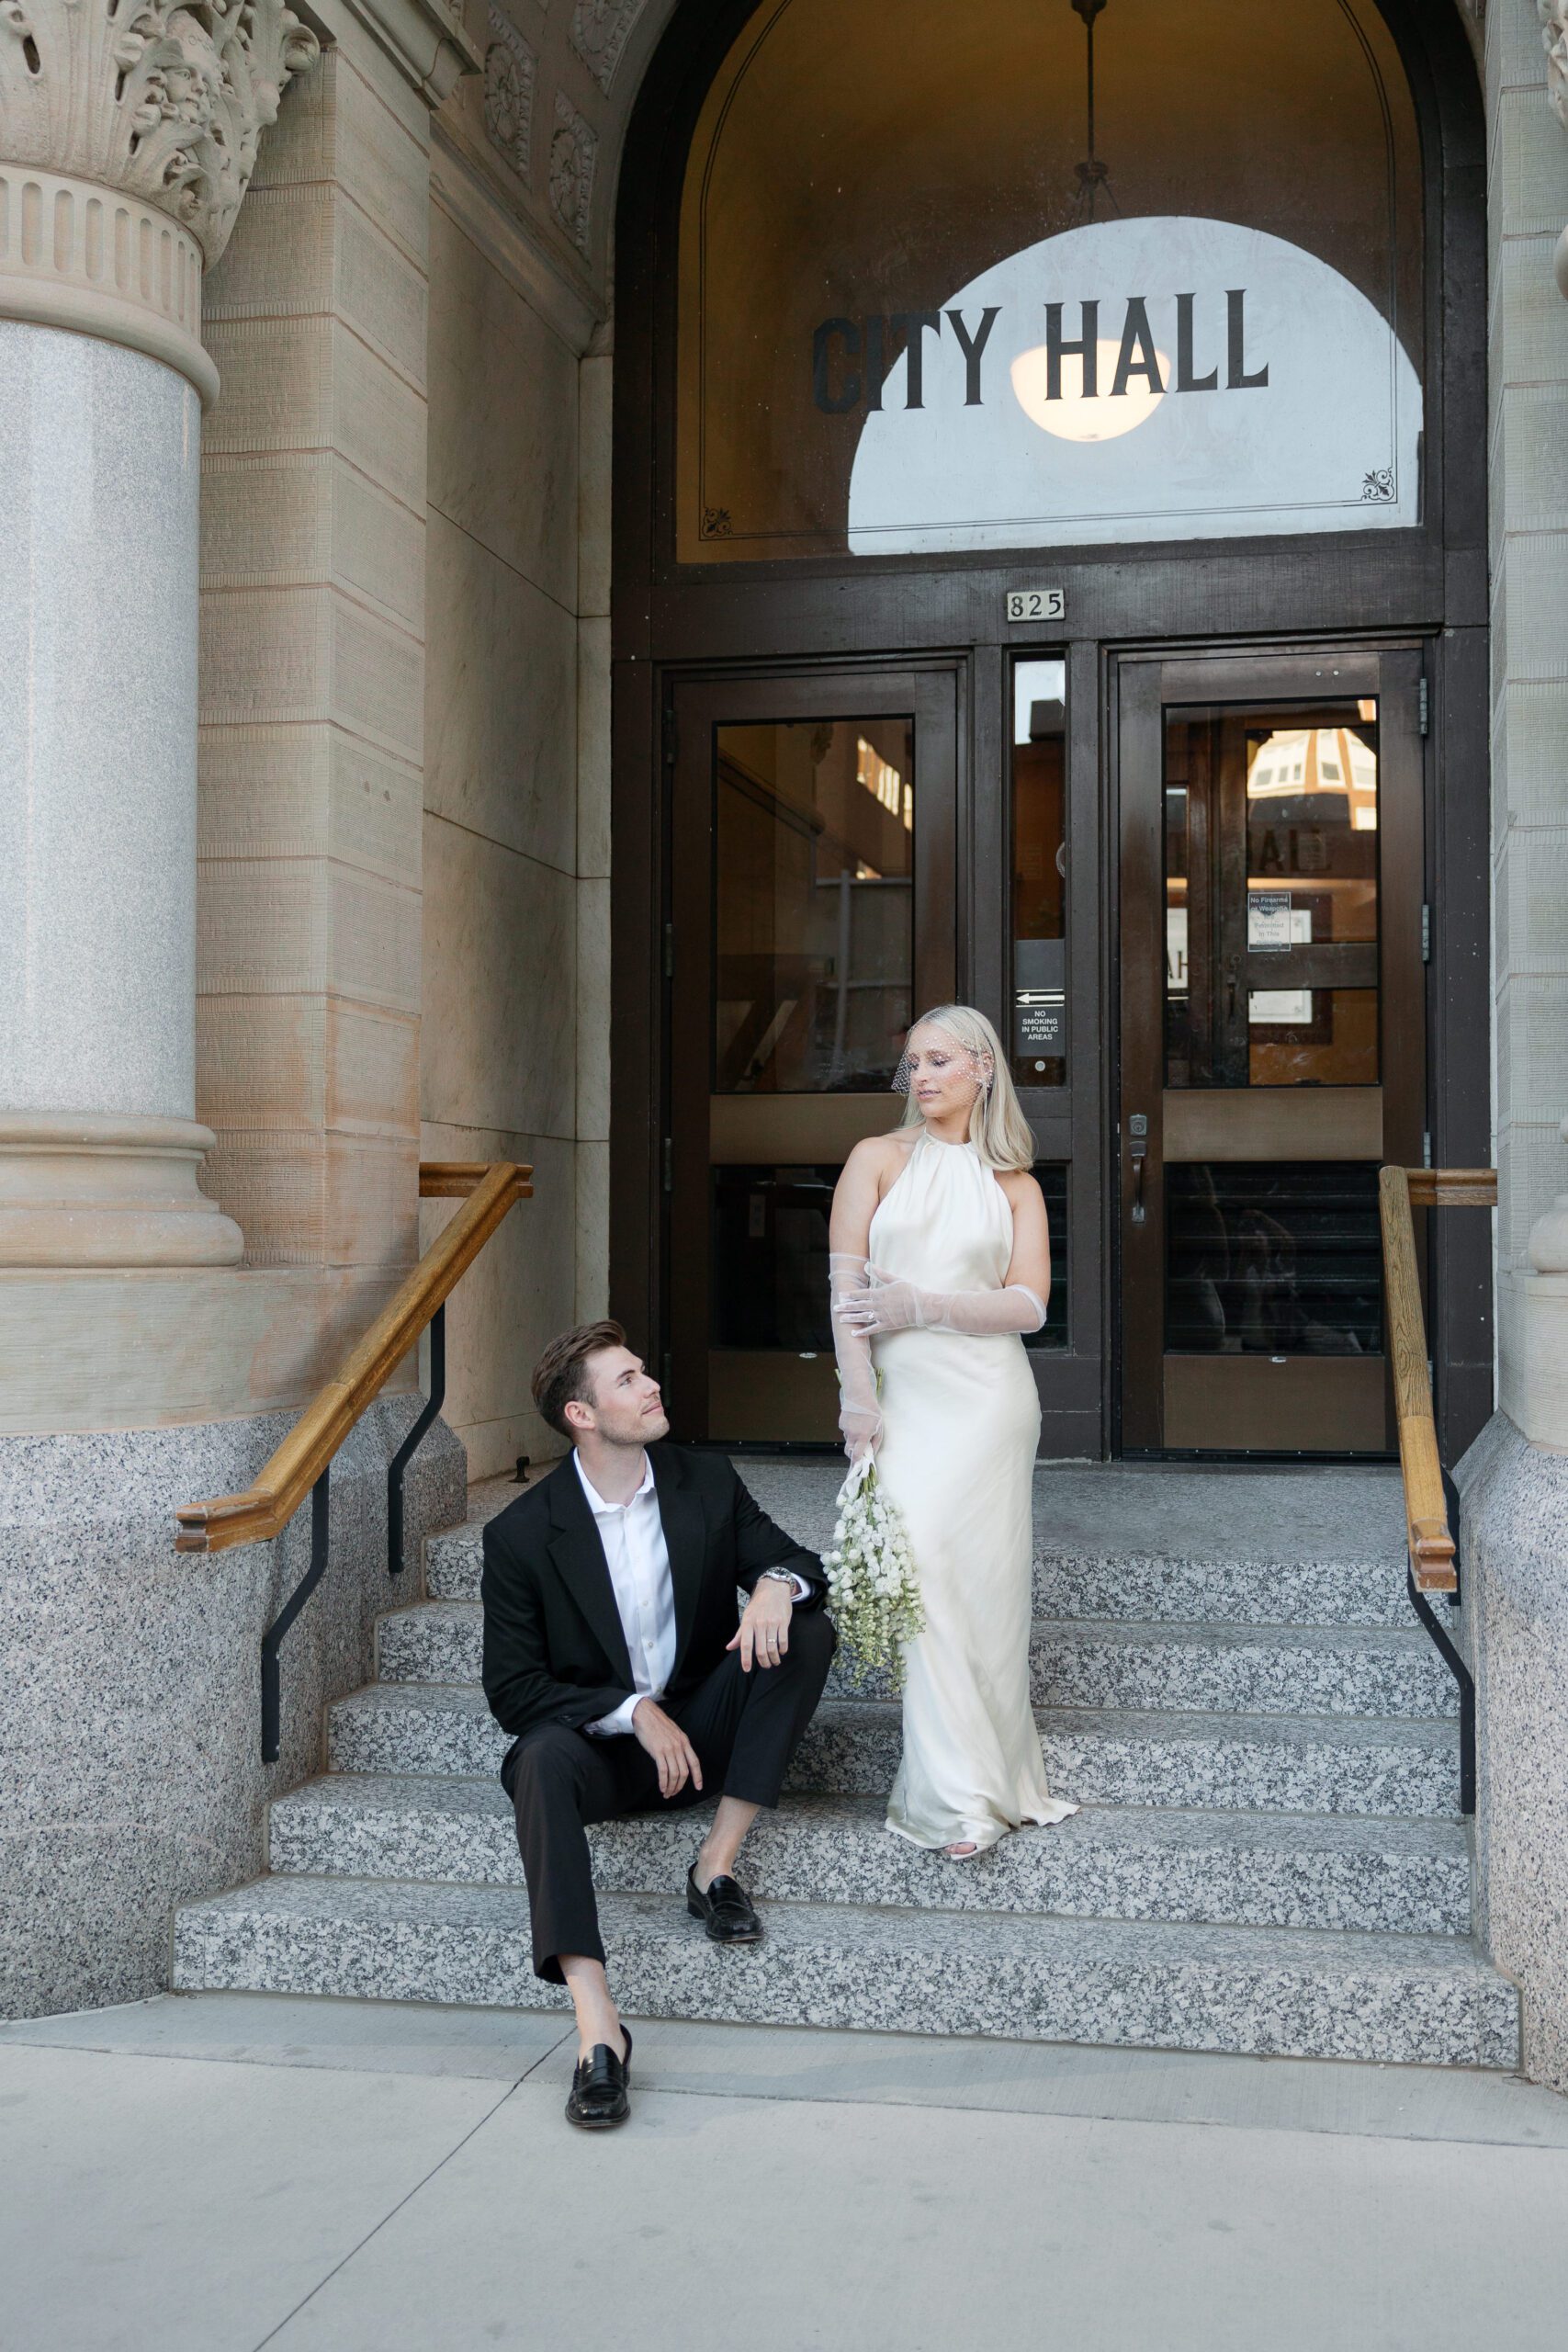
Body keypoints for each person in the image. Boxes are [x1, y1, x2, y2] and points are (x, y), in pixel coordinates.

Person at [481, 1321, 835, 2131]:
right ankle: (597, 2028)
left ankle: (714, 1867)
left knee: (807, 1629)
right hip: (604, 1756)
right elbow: (513, 1689)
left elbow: (799, 1562)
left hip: (704, 1733)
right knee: (535, 1759)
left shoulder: (699, 1482)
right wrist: (632, 1712)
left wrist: (777, 1584)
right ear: (581, 1415)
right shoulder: (523, 1535)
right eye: (627, 1380)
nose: (650, 1387)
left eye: (644, 1372)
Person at [829, 1003, 1077, 1859]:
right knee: (924, 1568)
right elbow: (845, 1297)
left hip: (988, 1405)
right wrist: (856, 1399)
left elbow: (1030, 1305)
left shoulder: (1015, 1183)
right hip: (904, 1401)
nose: (921, 1077)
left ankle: (979, 1791)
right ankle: (946, 1798)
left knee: (985, 1592)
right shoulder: (875, 1160)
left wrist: (924, 1304)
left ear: (982, 1068)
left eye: (939, 1061)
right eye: (912, 1065)